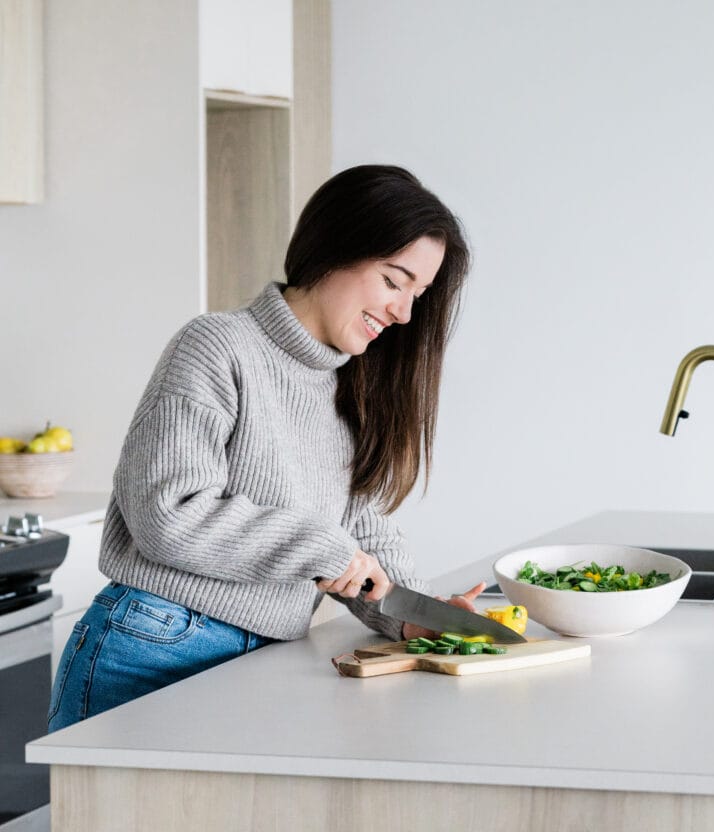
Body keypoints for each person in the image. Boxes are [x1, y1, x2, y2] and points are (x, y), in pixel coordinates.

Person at [48, 164, 482, 731]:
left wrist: (415, 614)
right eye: (394, 281)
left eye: (416, 296)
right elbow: (166, 513)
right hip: (153, 645)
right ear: (334, 248)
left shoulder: (352, 386)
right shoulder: (217, 347)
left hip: (263, 654)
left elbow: (361, 534)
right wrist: (320, 548)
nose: (403, 313)